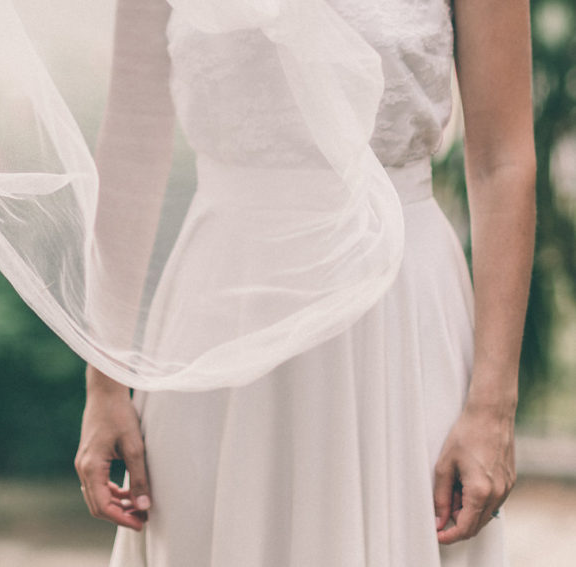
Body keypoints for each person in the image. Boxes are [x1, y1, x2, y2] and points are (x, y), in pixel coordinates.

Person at [75, 0, 536, 565]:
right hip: (217, 331)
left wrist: (493, 408)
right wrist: (104, 384)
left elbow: (503, 159)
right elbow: (132, 138)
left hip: (397, 325)